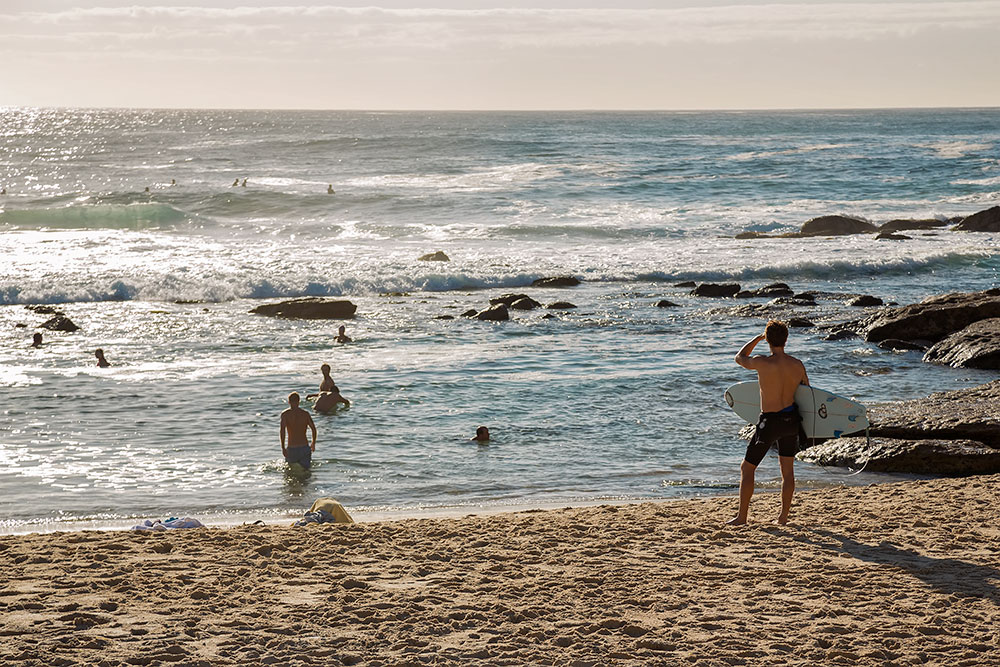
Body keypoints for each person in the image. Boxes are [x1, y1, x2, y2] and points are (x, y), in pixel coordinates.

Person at [728, 320, 809, 526]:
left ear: (768, 340)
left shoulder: (762, 362)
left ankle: (742, 517)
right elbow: (807, 392)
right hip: (791, 420)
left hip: (770, 422)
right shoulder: (797, 365)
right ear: (786, 339)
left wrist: (756, 339)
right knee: (788, 471)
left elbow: (739, 358)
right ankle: (783, 518)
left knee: (747, 469)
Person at [280, 392, 317, 469]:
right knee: (306, 472)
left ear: (289, 402)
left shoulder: (285, 414)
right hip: (304, 447)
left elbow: (282, 431)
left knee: (290, 473)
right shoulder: (305, 414)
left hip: (292, 448)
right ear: (299, 401)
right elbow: (313, 429)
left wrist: (283, 447)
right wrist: (313, 443)